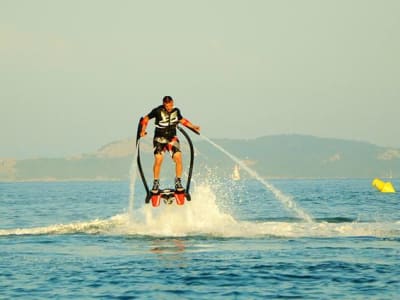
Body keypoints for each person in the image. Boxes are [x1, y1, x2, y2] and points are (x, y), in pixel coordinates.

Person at [139, 96, 200, 193]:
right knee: (159, 159)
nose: (169, 108)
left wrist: (193, 126)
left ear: (173, 103)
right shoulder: (157, 110)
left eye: (170, 105)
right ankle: (156, 183)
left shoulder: (176, 111)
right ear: (164, 104)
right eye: (167, 106)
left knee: (178, 157)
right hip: (159, 139)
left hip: (172, 138)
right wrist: (143, 130)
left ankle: (178, 182)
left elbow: (182, 120)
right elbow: (145, 119)